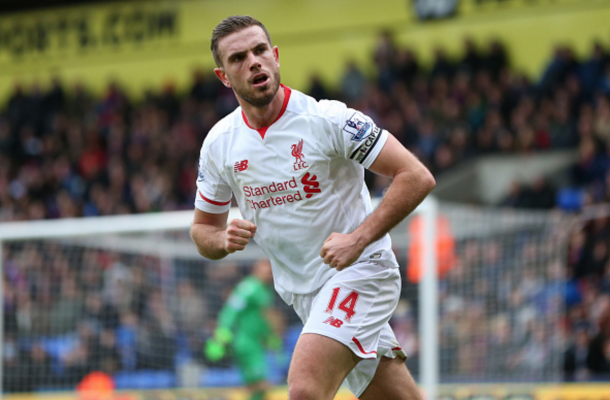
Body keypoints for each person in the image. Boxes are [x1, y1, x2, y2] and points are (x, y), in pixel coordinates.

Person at [190, 15, 435, 400]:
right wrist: (221, 240)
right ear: (223, 77)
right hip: (305, 296)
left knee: (304, 389)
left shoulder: (329, 120)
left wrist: (358, 239)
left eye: (259, 51)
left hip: (361, 272)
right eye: (238, 58)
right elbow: (202, 230)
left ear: (275, 57)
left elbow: (415, 175)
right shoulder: (219, 144)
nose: (253, 62)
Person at [205, 258, 283, 400]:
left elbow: (263, 317)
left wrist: (271, 337)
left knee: (256, 386)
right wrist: (221, 334)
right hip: (247, 344)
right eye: (265, 266)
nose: (269, 271)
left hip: (257, 343)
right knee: (262, 383)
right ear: (256, 268)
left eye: (271, 268)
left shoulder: (264, 289)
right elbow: (230, 310)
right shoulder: (248, 287)